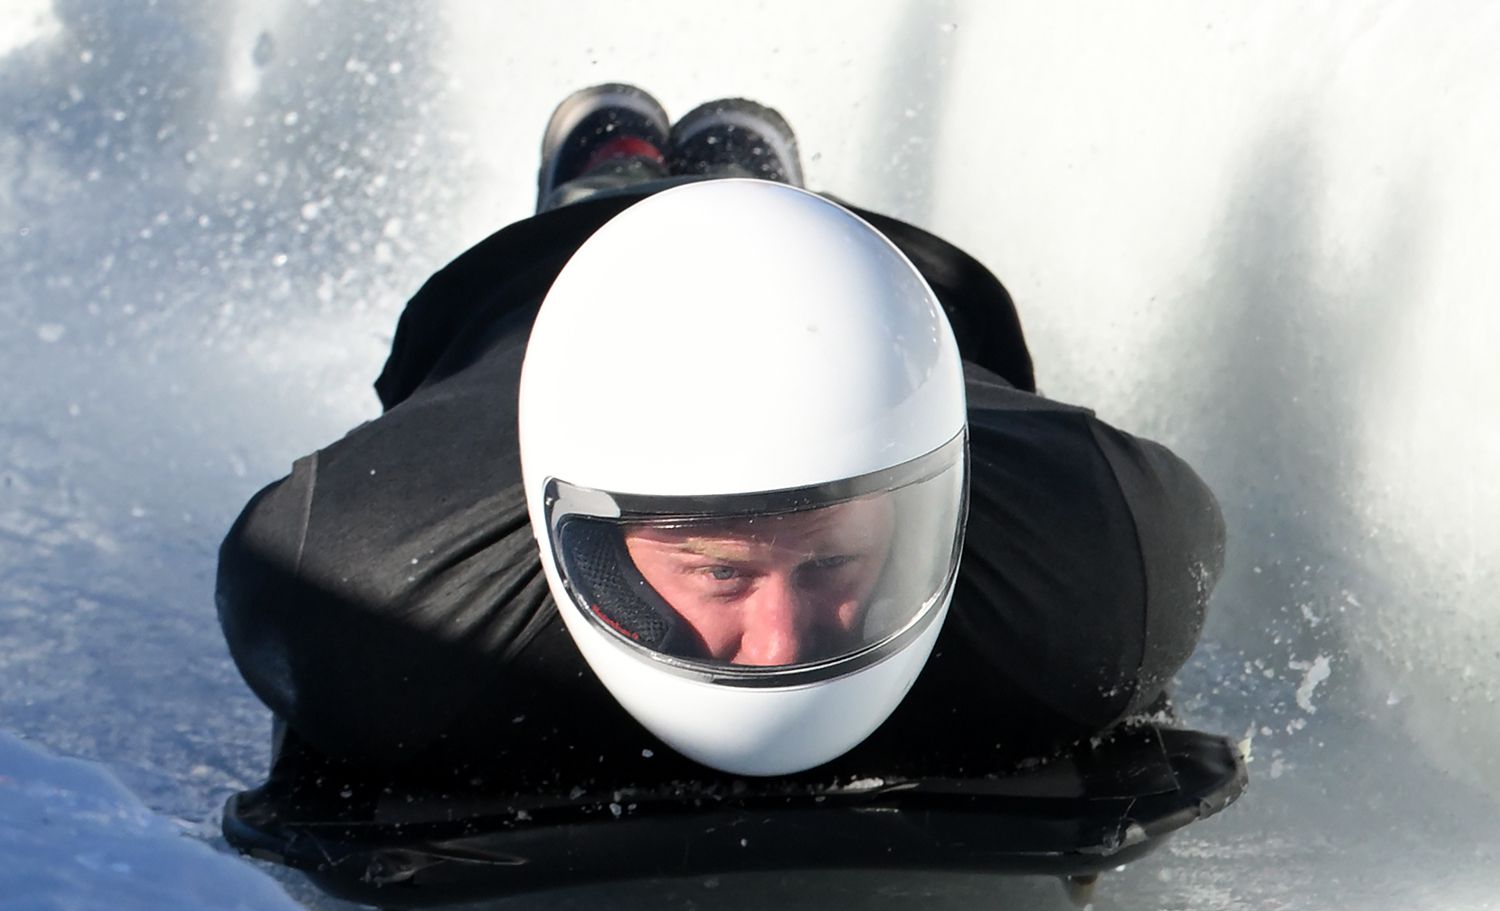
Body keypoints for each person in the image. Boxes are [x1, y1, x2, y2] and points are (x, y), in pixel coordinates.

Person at [217, 85, 1225, 781]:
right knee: (548, 275)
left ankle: (715, 187)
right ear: (594, 538)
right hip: (532, 295)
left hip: (877, 296)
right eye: (721, 570)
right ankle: (621, 192)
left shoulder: (1097, 576)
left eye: (833, 560)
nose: (786, 644)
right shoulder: (365, 598)